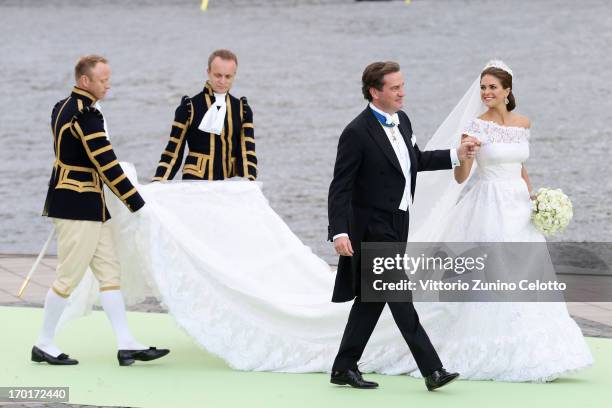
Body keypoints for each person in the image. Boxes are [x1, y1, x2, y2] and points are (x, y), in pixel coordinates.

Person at [406, 60, 593, 381]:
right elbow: (462, 176)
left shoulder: (523, 123)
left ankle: (536, 349)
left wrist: (535, 199)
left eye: (493, 87)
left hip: (519, 205)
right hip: (489, 205)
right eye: (483, 87)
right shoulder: (475, 126)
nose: (487, 92)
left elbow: (520, 166)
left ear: (508, 90)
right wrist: (463, 154)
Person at [327, 61, 477, 390]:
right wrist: (339, 232)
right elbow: (340, 186)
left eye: (401, 85)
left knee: (370, 299)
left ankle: (343, 367)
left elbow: (415, 160)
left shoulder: (402, 120)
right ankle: (432, 369)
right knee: (398, 294)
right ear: (374, 92)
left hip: (399, 221)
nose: (401, 92)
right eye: (394, 88)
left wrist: (456, 154)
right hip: (371, 227)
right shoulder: (355, 132)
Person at [35, 55, 170, 366]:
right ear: (86, 81)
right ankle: (43, 343)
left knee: (110, 275)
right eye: (103, 80)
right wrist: (136, 203)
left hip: (88, 205)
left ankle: (126, 343)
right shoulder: (86, 116)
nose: (108, 85)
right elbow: (106, 165)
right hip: (76, 208)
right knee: (67, 277)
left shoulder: (62, 107)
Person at [152, 49, 257, 181]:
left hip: (230, 185)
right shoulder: (189, 107)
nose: (222, 81)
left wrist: (249, 183)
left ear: (234, 75)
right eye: (218, 75)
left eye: (228, 76)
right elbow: (173, 153)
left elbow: (247, 154)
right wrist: (157, 183)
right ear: (208, 72)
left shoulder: (242, 109)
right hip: (196, 184)